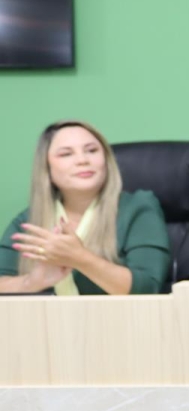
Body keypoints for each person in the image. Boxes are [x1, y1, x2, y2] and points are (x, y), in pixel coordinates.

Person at [0, 120, 171, 295]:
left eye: (92, 150)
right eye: (66, 154)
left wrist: (80, 258)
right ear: (47, 168)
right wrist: (31, 282)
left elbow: (148, 288)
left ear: (106, 160)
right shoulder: (28, 221)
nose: (82, 160)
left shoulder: (137, 208)